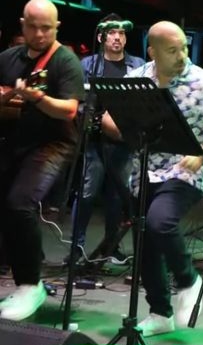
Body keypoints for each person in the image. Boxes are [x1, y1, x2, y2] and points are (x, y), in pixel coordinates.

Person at [102, 21, 203, 336]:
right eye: (172, 50)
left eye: (184, 48)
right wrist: (126, 127)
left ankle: (189, 280)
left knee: (160, 221)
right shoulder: (137, 79)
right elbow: (110, 118)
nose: (181, 56)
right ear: (153, 52)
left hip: (185, 170)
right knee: (146, 244)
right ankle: (160, 313)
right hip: (144, 170)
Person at [0, 0, 84, 320]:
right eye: (32, 27)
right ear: (22, 25)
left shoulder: (65, 61)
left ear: (57, 27)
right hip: (14, 142)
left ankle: (30, 285)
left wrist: (39, 99)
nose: (39, 34)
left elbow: (69, 110)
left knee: (20, 203)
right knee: (7, 208)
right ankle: (21, 280)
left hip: (53, 144)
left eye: (46, 28)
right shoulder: (8, 58)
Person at [69, 13, 144, 264]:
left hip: (124, 141)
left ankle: (111, 246)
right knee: (87, 193)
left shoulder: (137, 64)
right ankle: (76, 248)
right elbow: (77, 99)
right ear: (101, 37)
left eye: (121, 33)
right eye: (112, 32)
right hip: (95, 140)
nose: (117, 37)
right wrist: (91, 118)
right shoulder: (88, 64)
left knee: (117, 197)